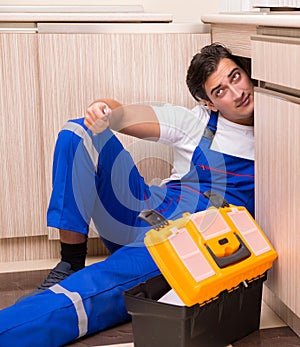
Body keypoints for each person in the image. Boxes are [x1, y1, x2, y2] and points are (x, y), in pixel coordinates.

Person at [0, 43, 255, 346]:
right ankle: (69, 262)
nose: (237, 92)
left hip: (188, 238)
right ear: (208, 103)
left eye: (236, 77)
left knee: (97, 286)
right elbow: (120, 114)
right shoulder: (196, 122)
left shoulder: (282, 125)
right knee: (79, 132)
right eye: (220, 91)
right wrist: (102, 110)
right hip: (150, 209)